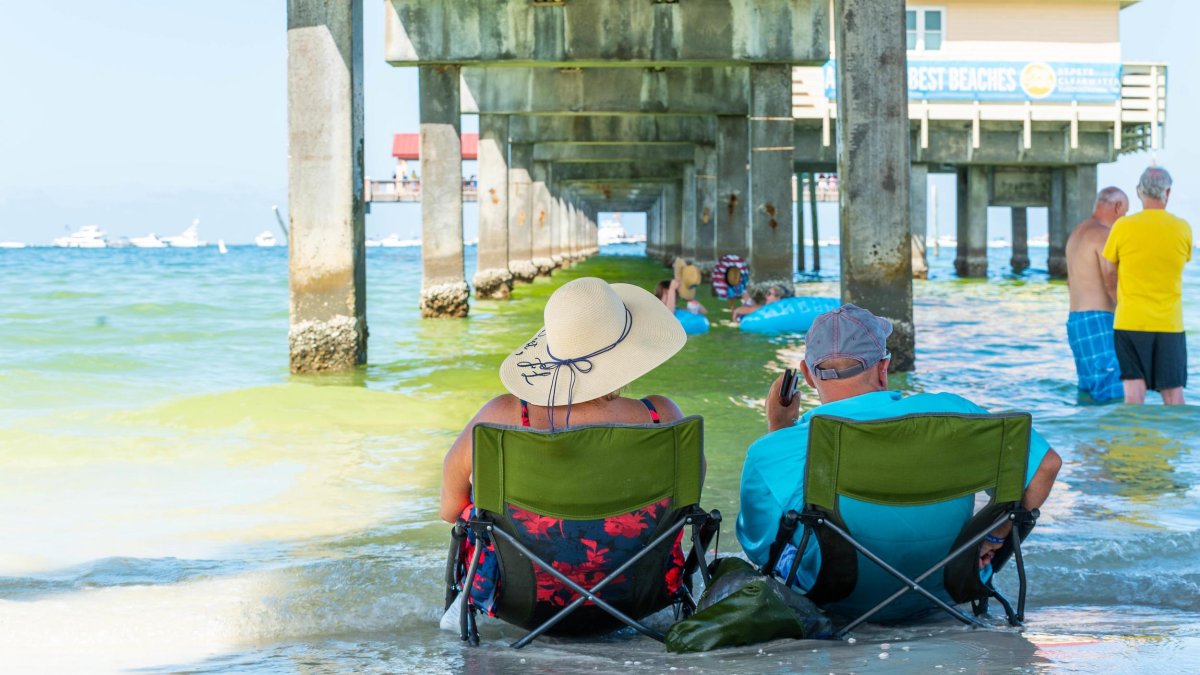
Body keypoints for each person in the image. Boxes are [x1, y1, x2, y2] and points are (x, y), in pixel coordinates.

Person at [736, 304, 1061, 620]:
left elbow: (762, 549)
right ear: (883, 366)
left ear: (806, 375)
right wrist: (995, 534)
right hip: (947, 588)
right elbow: (1046, 465)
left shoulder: (775, 448)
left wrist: (777, 431)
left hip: (835, 596)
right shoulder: (955, 413)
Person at [441, 276, 693, 523]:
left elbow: (450, 510)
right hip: (645, 563)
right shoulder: (663, 417)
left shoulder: (500, 418)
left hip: (517, 565)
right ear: (628, 350)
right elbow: (687, 503)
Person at [1102, 167, 1192, 405]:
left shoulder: (1122, 226)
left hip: (1130, 319)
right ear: (1168, 192)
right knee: (1173, 393)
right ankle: (1176, 443)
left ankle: (1134, 443)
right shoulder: (1182, 228)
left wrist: (1118, 299)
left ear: (1139, 192)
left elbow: (1109, 270)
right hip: (1169, 323)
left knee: (1133, 394)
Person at [1065, 187, 1129, 403]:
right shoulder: (1103, 234)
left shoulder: (1077, 233)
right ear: (1118, 207)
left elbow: (1069, 282)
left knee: (1088, 390)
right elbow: (1111, 279)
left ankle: (1088, 437)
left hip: (1076, 321)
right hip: (1098, 321)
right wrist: (1126, 311)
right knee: (1111, 391)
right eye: (1125, 213)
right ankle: (1111, 436)